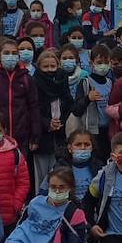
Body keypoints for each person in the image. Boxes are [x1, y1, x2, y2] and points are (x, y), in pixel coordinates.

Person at [3, 167, 95, 243]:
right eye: (53, 187)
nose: (57, 191)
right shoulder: (35, 202)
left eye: (61, 187)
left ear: (70, 188)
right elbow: (21, 224)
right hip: (21, 242)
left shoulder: (73, 213)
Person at [0, 37, 41, 166]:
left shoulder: (27, 79)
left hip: (21, 137)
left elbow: (34, 107)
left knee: (19, 172)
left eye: (14, 53)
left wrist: (35, 135)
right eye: (6, 53)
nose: (10, 56)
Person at [32, 47, 81, 186]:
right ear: (39, 67)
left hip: (61, 136)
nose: (49, 69)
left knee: (60, 174)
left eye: (52, 66)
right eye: (45, 66)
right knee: (41, 177)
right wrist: (47, 123)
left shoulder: (62, 80)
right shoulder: (35, 82)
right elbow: (33, 110)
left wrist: (62, 122)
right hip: (42, 137)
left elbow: (69, 104)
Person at [62, 129, 104, 203]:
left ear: (92, 147)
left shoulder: (100, 168)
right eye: (78, 144)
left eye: (87, 144)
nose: (83, 148)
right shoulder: (60, 168)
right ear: (69, 148)